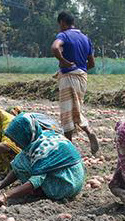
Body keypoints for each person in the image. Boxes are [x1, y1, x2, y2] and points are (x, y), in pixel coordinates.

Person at [0, 113, 85, 208]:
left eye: (16, 140)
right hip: (73, 175)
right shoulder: (41, 137)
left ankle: (44, 192)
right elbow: (16, 168)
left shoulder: (42, 149)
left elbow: (36, 180)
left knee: (25, 163)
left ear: (24, 135)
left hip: (67, 183)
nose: (15, 144)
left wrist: (6, 196)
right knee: (20, 159)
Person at [50, 11, 99, 155]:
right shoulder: (85, 38)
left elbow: (54, 47)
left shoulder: (63, 35)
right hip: (82, 77)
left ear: (63, 23)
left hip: (68, 77)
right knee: (76, 109)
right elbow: (91, 63)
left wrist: (64, 62)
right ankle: (88, 133)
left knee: (66, 112)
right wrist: (79, 68)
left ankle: (69, 147)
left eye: (60, 25)